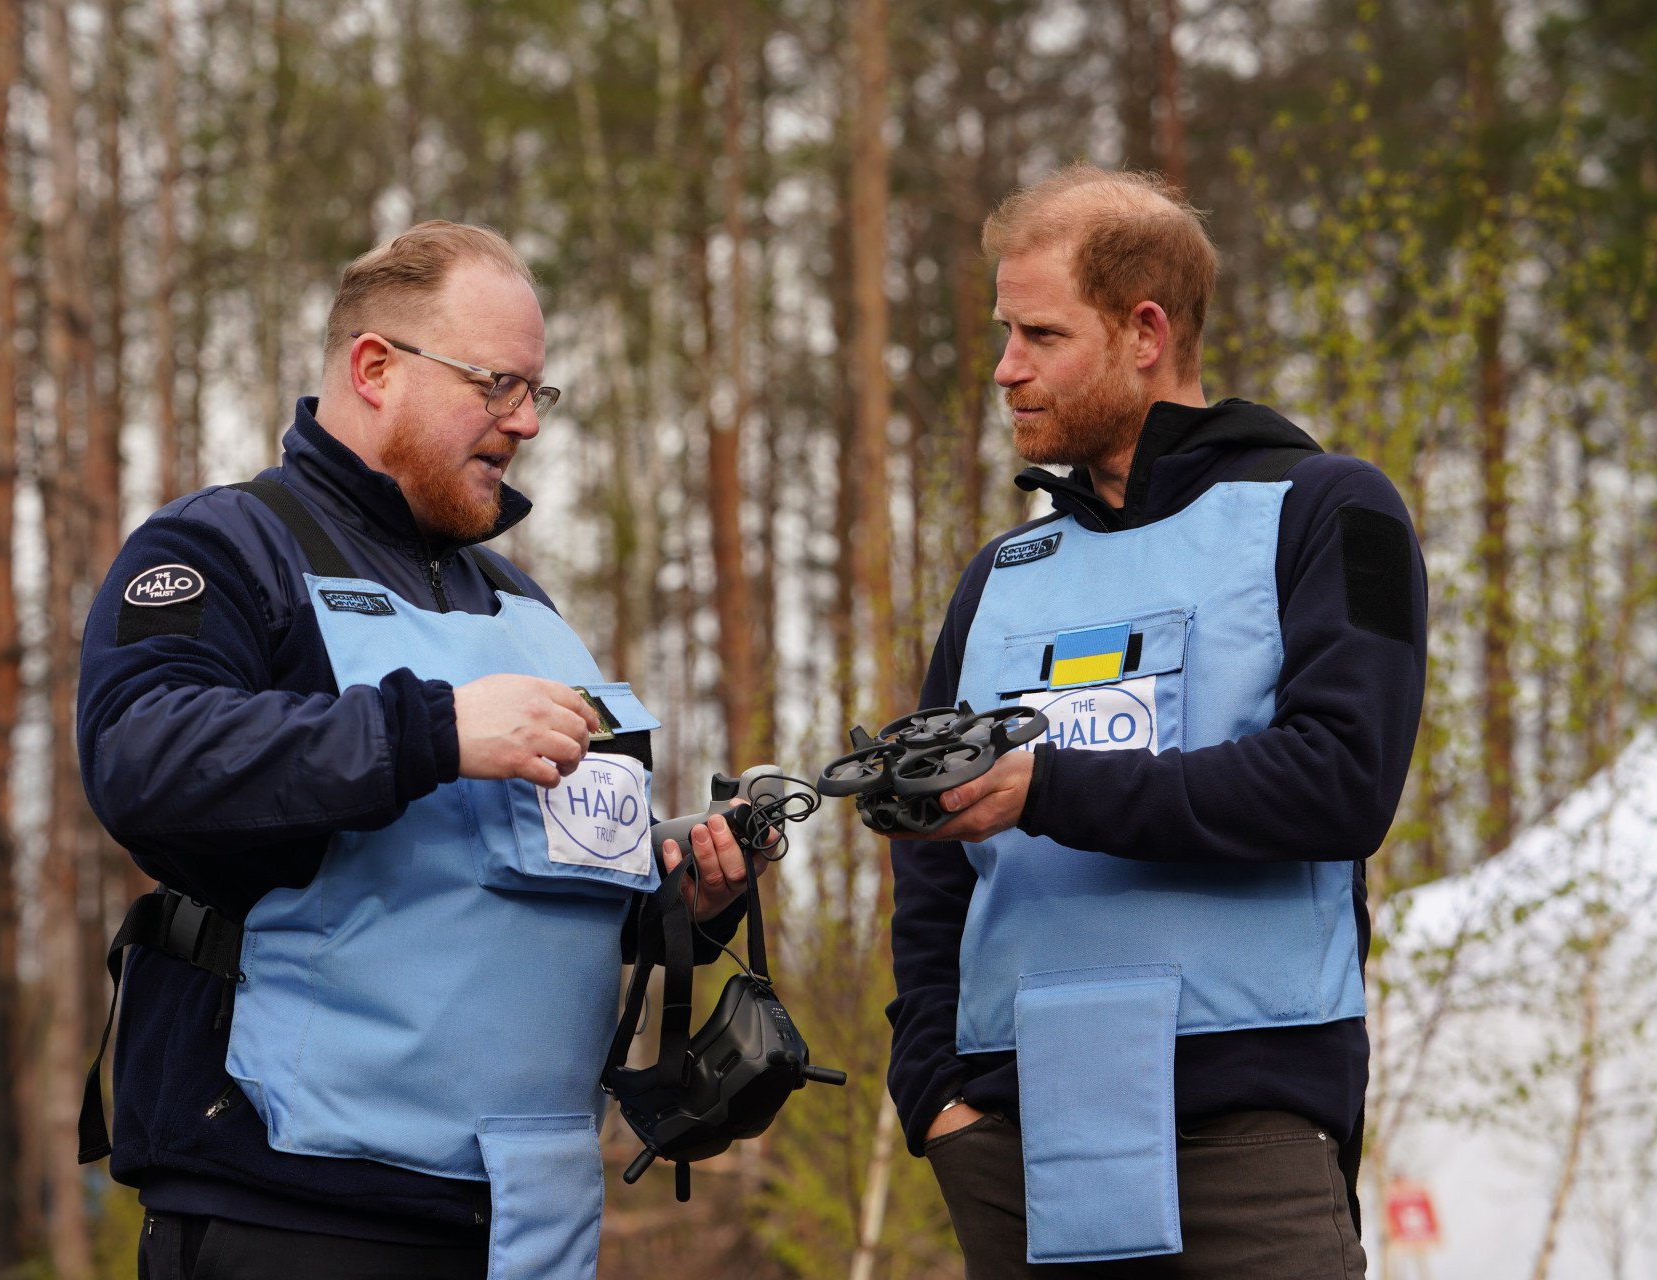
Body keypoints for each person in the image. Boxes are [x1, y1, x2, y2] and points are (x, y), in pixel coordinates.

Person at [76, 221, 764, 1280]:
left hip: (533, 1216)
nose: (527, 420)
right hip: (298, 1209)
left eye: (538, 391)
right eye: (498, 383)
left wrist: (683, 902)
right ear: (375, 369)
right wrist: (430, 730)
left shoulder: (530, 608)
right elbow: (143, 756)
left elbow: (533, 886)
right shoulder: (223, 548)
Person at [886, 166, 1426, 1277]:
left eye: (1039, 333)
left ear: (1145, 331)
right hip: (1014, 1139)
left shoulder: (1333, 507)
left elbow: (1341, 780)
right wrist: (930, 1084)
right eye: (1004, 331)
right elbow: (935, 861)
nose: (1006, 368)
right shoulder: (1000, 574)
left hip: (1244, 1133)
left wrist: (1050, 785)